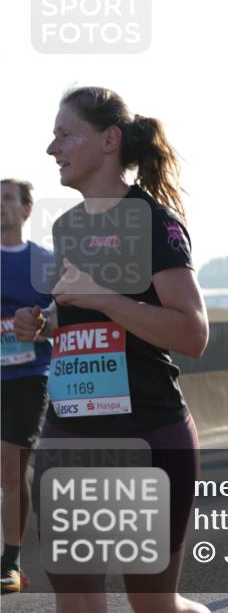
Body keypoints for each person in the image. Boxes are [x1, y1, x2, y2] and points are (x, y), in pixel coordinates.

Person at [15, 87, 209, 613]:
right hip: (69, 433)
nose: (52, 148)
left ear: (109, 140)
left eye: (65, 134)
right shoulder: (68, 226)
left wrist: (102, 296)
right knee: (76, 598)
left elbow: (192, 334)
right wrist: (46, 324)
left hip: (145, 432)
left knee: (153, 605)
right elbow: (87, 316)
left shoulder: (154, 223)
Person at [1, 179, 55, 594]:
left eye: (7, 198)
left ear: (26, 210)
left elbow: (66, 313)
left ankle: (11, 561)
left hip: (26, 376)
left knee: (10, 467)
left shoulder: (45, 263)